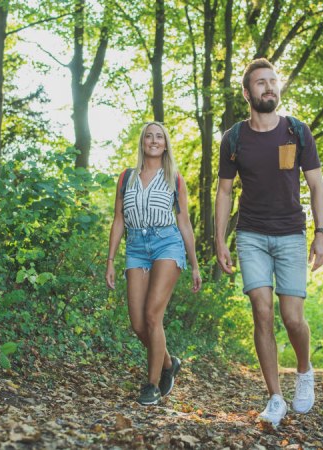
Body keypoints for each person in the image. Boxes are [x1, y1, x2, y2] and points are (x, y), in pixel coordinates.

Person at [214, 58, 323, 427]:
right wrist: (220, 239)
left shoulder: (297, 131)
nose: (269, 87)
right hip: (251, 236)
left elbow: (315, 185)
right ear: (247, 93)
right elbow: (225, 191)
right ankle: (275, 397)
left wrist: (320, 234)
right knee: (261, 312)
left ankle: (304, 371)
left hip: (292, 235)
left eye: (273, 81)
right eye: (260, 83)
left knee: (292, 319)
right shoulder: (234, 138)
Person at [106, 121, 202, 406]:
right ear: (143, 142)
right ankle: (169, 363)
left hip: (167, 245)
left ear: (166, 143)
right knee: (138, 323)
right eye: (149, 136)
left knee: (152, 316)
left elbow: (183, 223)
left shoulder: (175, 179)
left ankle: (152, 385)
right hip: (135, 247)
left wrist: (195, 264)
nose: (154, 140)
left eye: (159, 136)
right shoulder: (126, 177)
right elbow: (119, 219)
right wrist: (110, 260)